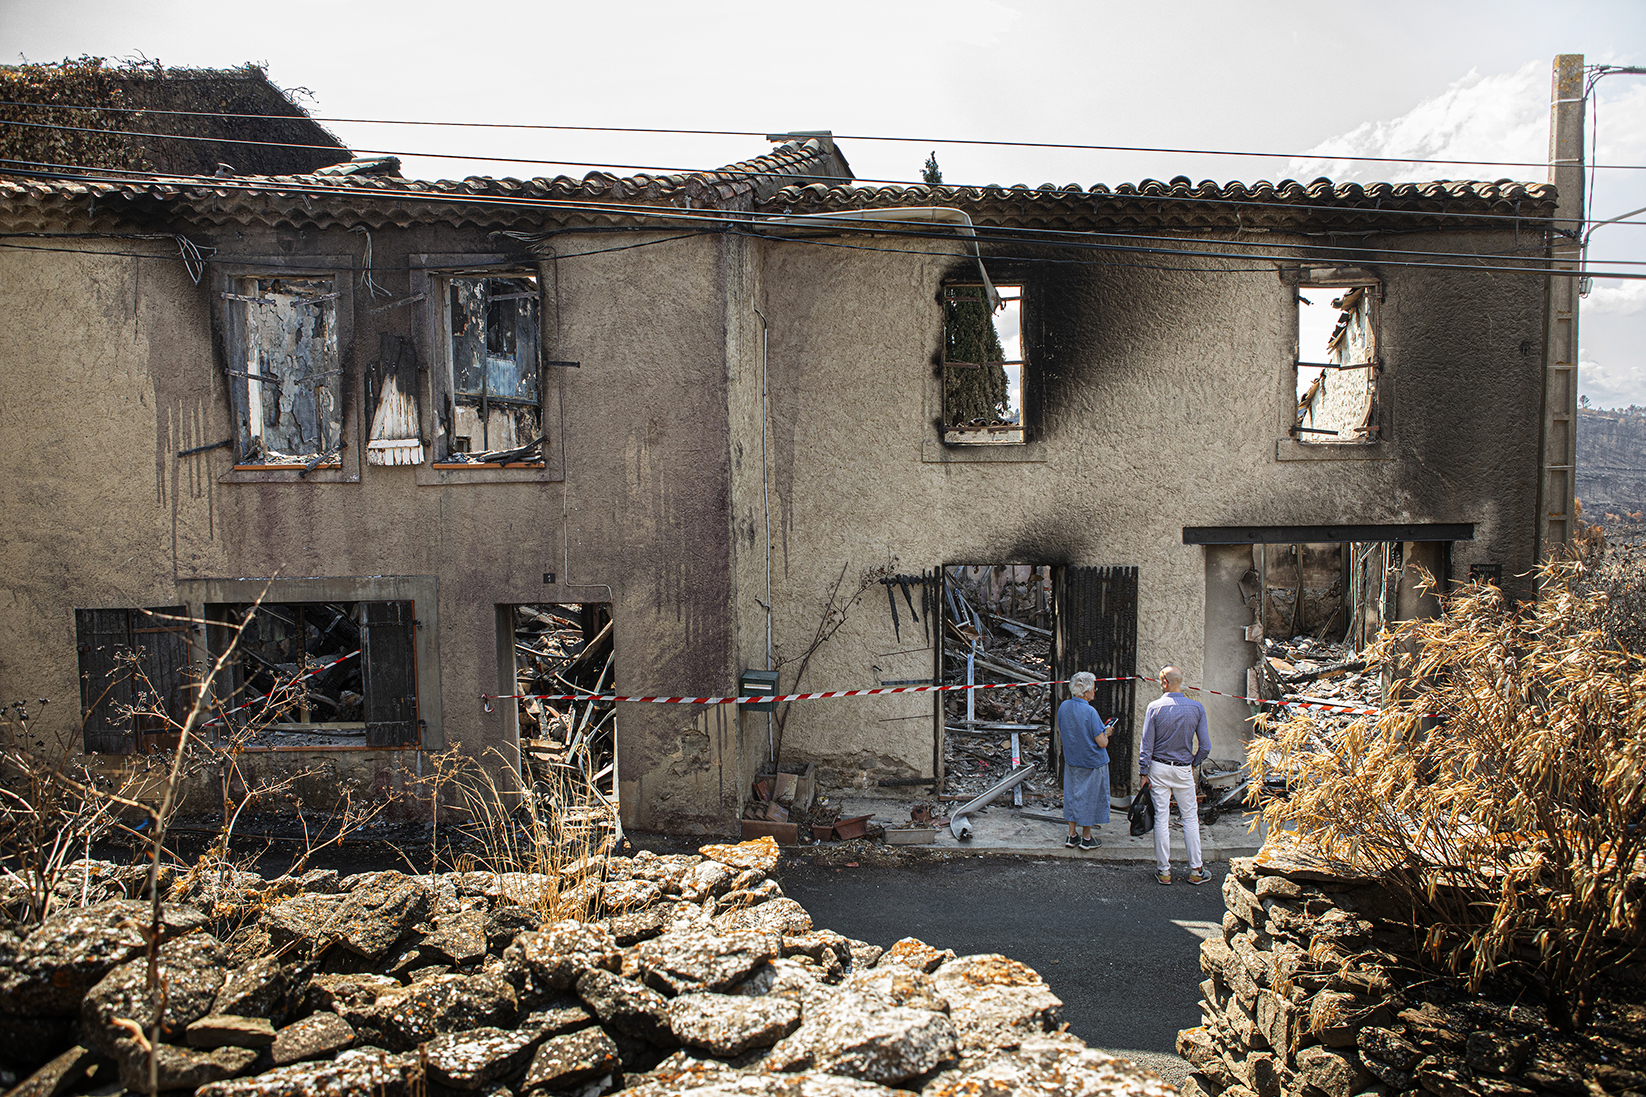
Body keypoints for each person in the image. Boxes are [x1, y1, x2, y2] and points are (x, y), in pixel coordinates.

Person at [1138, 666, 1212, 885]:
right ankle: (1196, 870)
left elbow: (1146, 745)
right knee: (1190, 817)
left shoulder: (1154, 708)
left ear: (1164, 682)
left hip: (1158, 767)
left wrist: (1143, 772)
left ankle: (1164, 871)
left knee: (1161, 817)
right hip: (1182, 767)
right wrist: (1193, 763)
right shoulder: (1196, 708)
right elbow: (1205, 746)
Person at [1057, 671, 1112, 850]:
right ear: (1086, 691)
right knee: (1089, 798)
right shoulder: (1090, 711)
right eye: (1093, 688)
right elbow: (1102, 743)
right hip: (1092, 761)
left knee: (1072, 795)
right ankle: (1087, 838)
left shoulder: (1063, 707)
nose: (1095, 691)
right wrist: (1107, 732)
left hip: (1072, 759)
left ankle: (1071, 835)